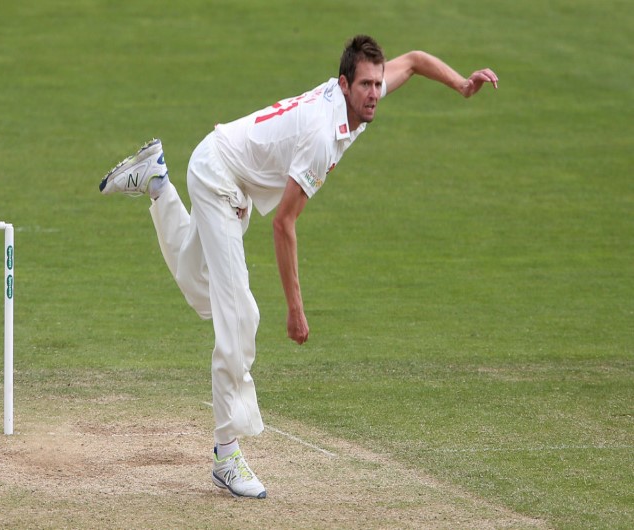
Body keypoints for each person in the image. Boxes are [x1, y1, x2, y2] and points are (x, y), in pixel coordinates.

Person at [99, 35, 498, 499]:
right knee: (240, 317)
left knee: (200, 289)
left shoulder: (364, 94)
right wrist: (296, 309)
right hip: (219, 178)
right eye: (365, 85)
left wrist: (460, 85)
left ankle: (156, 181)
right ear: (344, 84)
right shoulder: (320, 137)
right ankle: (226, 455)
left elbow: (412, 61)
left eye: (377, 83)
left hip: (226, 168)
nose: (374, 93)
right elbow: (284, 224)